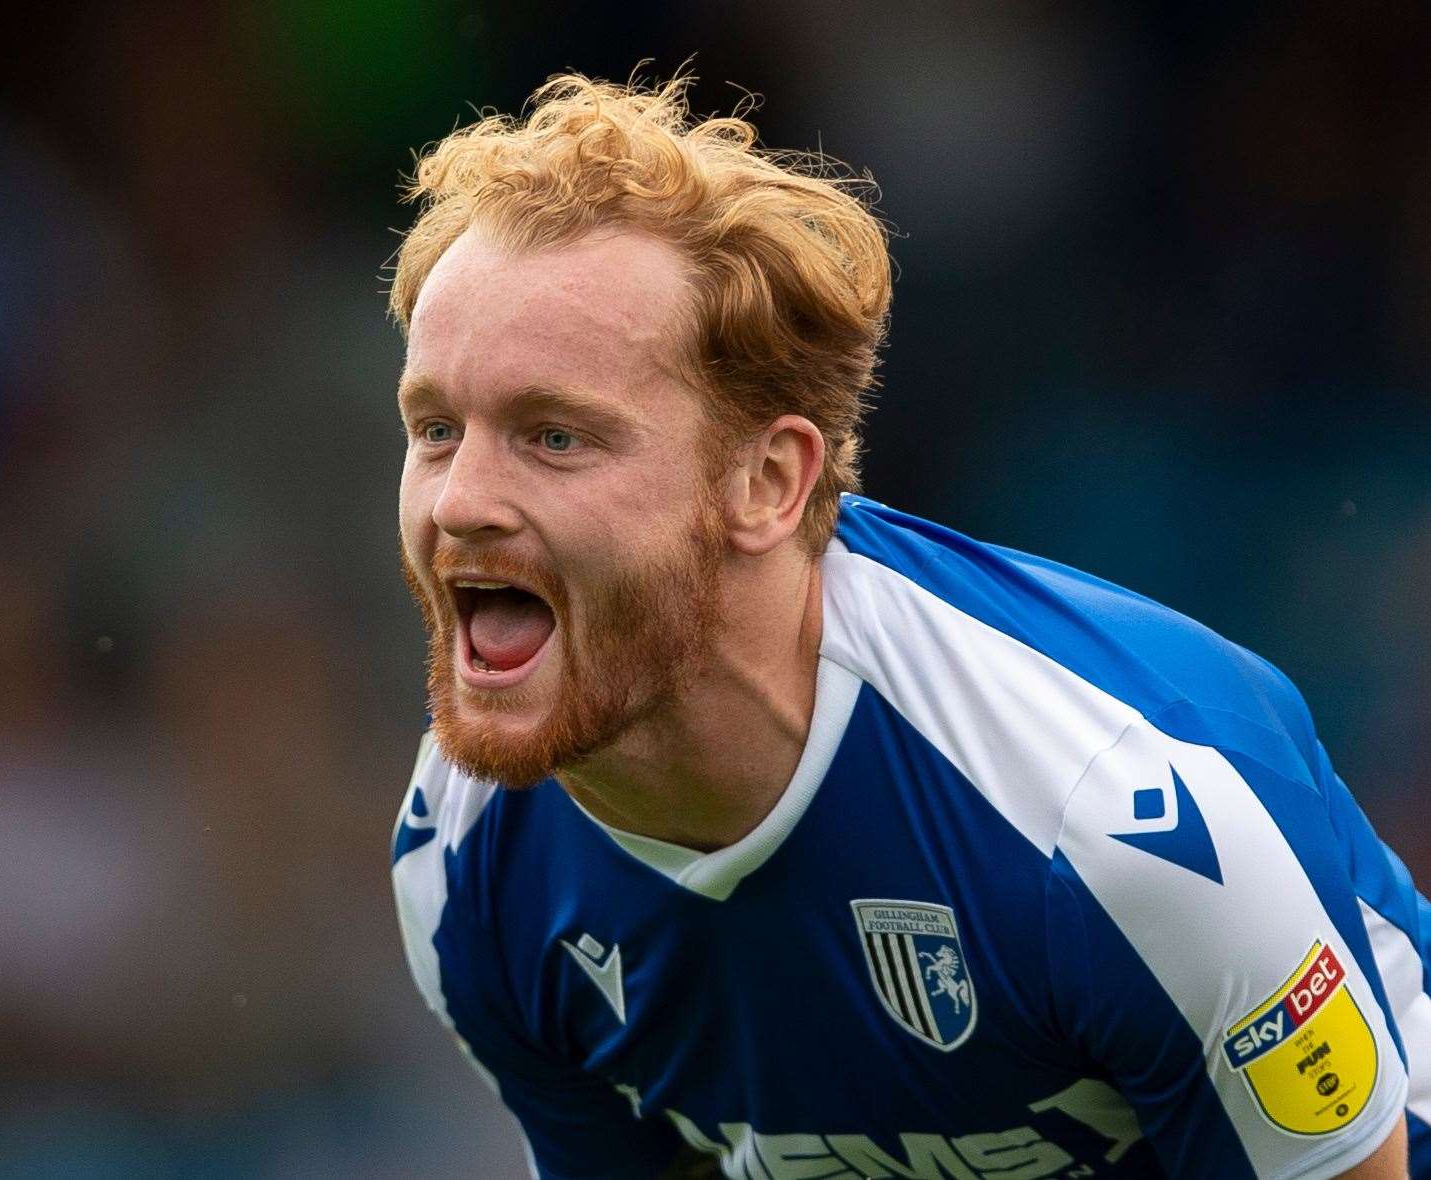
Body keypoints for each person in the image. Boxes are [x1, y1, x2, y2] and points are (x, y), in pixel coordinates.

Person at [387, 71, 1430, 1180]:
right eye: (437, 429)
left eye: (555, 438)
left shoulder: (1118, 821)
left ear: (766, 482)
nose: (456, 503)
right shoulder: (462, 868)